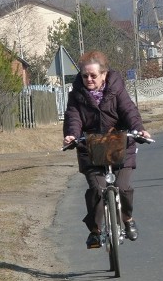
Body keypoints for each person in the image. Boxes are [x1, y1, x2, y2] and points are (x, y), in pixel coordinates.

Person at [63, 50, 152, 249]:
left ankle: (127, 218)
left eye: (93, 75)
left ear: (104, 74)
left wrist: (138, 130)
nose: (89, 79)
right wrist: (72, 135)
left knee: (123, 187)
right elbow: (73, 117)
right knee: (97, 189)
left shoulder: (116, 89)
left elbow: (129, 110)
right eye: (85, 75)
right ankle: (95, 232)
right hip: (91, 147)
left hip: (119, 143)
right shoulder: (76, 95)